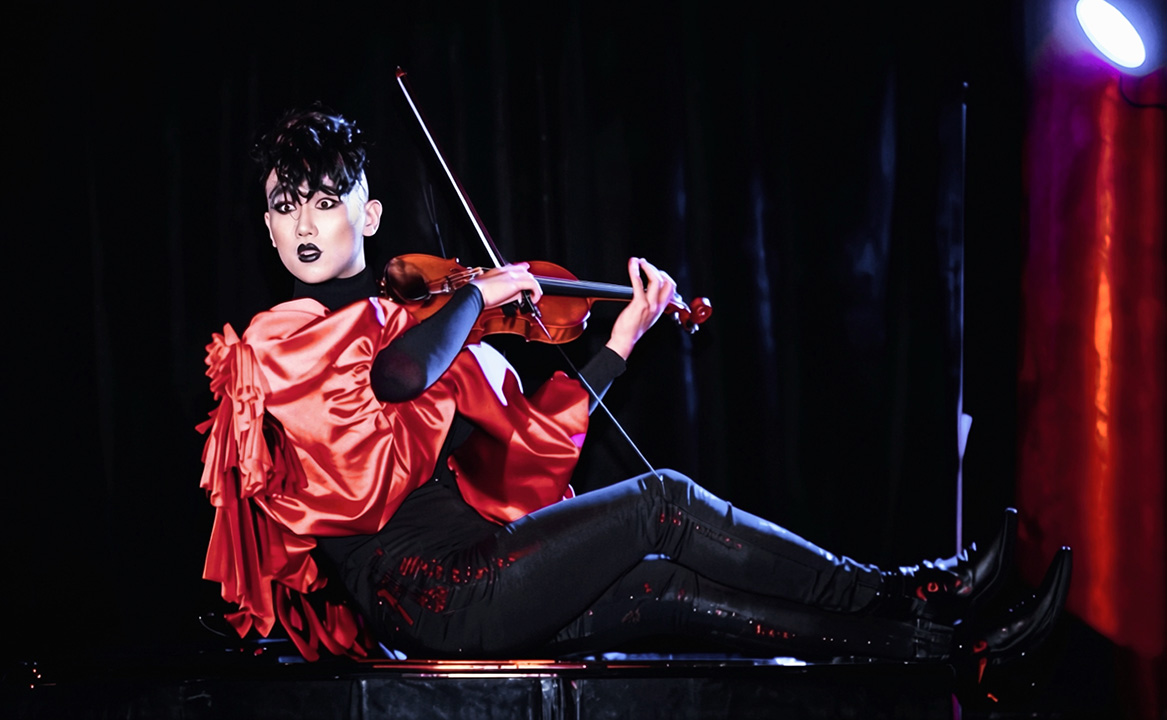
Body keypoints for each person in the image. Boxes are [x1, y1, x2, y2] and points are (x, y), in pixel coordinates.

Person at [198, 106, 1070, 673]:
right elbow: (395, 378)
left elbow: (530, 452)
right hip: (428, 591)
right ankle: (913, 588)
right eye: (285, 204)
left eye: (325, 200)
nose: (304, 221)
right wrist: (478, 295)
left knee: (669, 590)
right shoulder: (281, 335)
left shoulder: (416, 320)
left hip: (480, 573)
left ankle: (941, 647)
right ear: (267, 227)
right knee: (662, 501)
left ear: (369, 215)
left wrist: (619, 341)